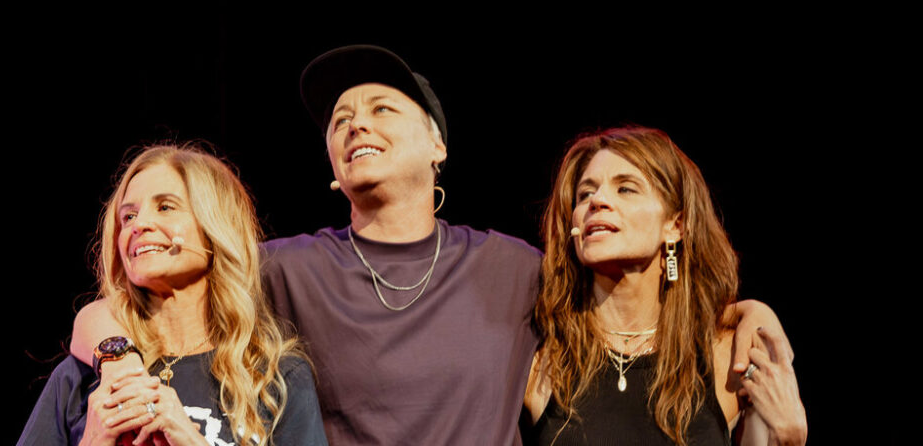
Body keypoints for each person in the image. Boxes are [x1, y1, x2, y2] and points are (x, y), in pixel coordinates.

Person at [68, 45, 792, 445]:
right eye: (340, 120)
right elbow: (111, 309)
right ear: (332, 167)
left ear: (438, 145)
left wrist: (752, 316)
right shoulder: (288, 268)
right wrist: (118, 355)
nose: (356, 123)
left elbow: (644, 310)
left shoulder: (514, 269)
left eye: (382, 108)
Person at [18, 144, 328, 446]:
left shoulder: (277, 378)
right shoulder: (85, 373)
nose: (140, 225)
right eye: (128, 217)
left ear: (215, 226)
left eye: (165, 207)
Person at [521, 126, 807, 445]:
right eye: (585, 194)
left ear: (675, 225)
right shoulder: (541, 362)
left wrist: (789, 438)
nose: (597, 201)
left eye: (626, 189)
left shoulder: (729, 358)